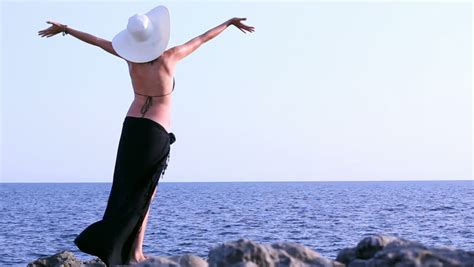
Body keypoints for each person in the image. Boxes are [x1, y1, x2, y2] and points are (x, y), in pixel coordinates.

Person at [38, 5, 255, 266]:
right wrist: (228, 22)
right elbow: (202, 38)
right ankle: (136, 253)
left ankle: (121, 248)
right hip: (154, 130)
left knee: (124, 188)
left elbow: (95, 41)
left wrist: (66, 29)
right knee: (146, 192)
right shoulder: (169, 57)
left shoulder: (130, 57)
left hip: (132, 126)